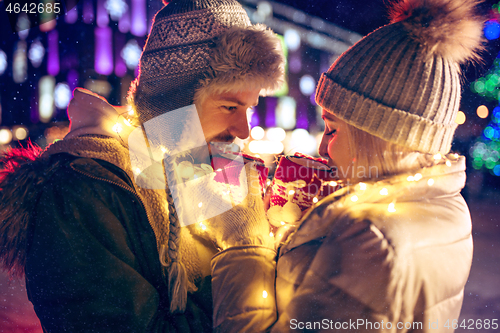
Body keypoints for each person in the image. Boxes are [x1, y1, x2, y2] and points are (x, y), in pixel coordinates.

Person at [0, 0, 284, 331]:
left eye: (249, 108)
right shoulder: (81, 189)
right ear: (174, 99)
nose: (243, 132)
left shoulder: (200, 175)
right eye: (229, 106)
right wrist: (245, 249)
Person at [208, 0, 483, 331]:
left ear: (381, 133)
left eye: (333, 128)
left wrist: (243, 240)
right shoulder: (442, 207)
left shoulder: (369, 239)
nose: (323, 147)